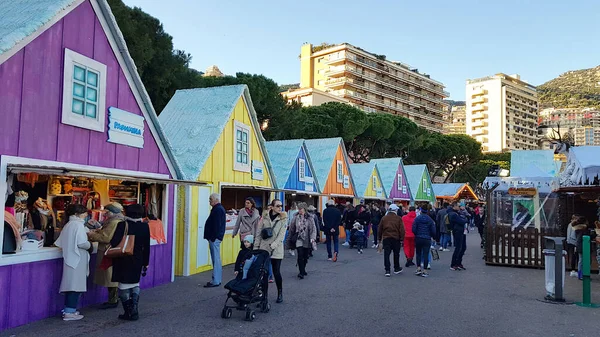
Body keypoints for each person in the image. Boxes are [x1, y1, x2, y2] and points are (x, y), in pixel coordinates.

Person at [110, 204, 150, 321]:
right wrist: (146, 262)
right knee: (135, 284)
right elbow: (146, 247)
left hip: (123, 258)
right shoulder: (144, 226)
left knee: (123, 285)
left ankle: (129, 311)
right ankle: (134, 309)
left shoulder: (122, 225)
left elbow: (114, 242)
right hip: (138, 259)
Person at [54, 204, 91, 321]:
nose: (86, 215)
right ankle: (70, 312)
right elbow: (82, 243)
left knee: (71, 284)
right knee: (75, 286)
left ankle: (69, 310)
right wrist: (90, 246)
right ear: (77, 214)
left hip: (70, 258)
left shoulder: (68, 225)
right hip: (78, 258)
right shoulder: (78, 225)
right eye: (84, 212)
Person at [87, 202, 126, 309]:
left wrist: (91, 234)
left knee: (110, 277)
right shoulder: (118, 220)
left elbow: (105, 238)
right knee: (111, 276)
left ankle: (113, 300)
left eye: (107, 211)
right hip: (112, 251)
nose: (105, 214)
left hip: (107, 251)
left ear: (112, 212)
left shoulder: (113, 222)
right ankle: (114, 299)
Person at [254, 199, 287, 303]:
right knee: (264, 273)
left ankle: (280, 293)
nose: (280, 208)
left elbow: (281, 235)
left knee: (276, 272)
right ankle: (264, 296)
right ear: (272, 207)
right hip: (264, 248)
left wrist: (273, 245)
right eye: (277, 206)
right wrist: (256, 247)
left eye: (281, 206)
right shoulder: (264, 217)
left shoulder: (283, 219)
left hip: (276, 249)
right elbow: (259, 232)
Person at [286, 202, 316, 279]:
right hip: (298, 238)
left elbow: (313, 229)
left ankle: (303, 268)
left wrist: (313, 238)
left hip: (307, 239)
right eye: (298, 209)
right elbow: (292, 229)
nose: (299, 210)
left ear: (305, 209)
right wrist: (289, 238)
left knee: (305, 256)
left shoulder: (310, 218)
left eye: (301, 208)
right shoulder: (295, 217)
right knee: (300, 254)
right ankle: (301, 272)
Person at [203, 193, 226, 288]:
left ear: (216, 200)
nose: (209, 201)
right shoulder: (218, 209)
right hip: (215, 238)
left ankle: (216, 280)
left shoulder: (218, 210)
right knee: (216, 259)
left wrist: (213, 237)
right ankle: (216, 279)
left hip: (214, 238)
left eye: (211, 199)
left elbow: (217, 225)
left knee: (216, 259)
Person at [377, 204, 405, 277]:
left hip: (386, 238)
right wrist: (402, 239)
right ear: (395, 210)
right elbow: (402, 230)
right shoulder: (398, 218)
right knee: (396, 254)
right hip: (396, 238)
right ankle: (396, 268)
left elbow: (380, 229)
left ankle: (387, 270)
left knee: (387, 254)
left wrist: (379, 239)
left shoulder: (384, 218)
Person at [412, 209, 437, 277]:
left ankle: (418, 268)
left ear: (420, 211)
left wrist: (417, 234)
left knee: (418, 253)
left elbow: (413, 229)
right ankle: (425, 270)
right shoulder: (430, 220)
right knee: (426, 254)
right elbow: (433, 230)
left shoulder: (417, 219)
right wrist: (433, 237)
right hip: (427, 238)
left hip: (418, 238)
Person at [448, 202, 468, 271]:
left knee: (463, 247)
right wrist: (465, 220)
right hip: (458, 232)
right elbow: (462, 221)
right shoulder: (453, 214)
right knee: (458, 248)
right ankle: (454, 264)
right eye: (458, 206)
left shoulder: (456, 213)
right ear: (454, 206)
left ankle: (458, 263)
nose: (459, 207)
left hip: (461, 231)